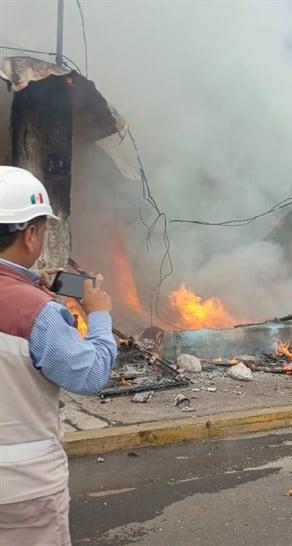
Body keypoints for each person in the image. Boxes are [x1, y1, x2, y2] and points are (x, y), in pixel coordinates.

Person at [0, 166, 117, 545]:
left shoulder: (31, 300)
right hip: (20, 486)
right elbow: (91, 374)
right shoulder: (39, 314)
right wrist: (98, 315)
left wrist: (31, 282)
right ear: (31, 234)